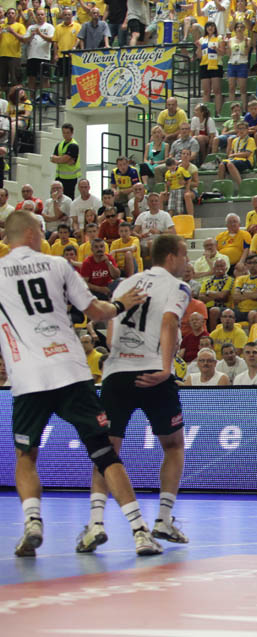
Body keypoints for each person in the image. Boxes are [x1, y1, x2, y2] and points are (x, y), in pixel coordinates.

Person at [0, 210, 161, 557]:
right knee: (103, 452)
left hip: (28, 377)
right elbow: (97, 312)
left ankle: (32, 523)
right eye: (40, 230)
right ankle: (140, 532)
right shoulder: (57, 265)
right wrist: (120, 304)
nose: (43, 236)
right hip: (70, 371)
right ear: (29, 234)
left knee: (25, 455)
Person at [88, 234, 192, 550]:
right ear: (171, 257)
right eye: (184, 256)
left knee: (107, 451)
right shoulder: (177, 286)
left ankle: (95, 524)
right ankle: (163, 519)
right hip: (153, 374)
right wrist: (165, 368)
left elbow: (109, 335)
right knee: (174, 445)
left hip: (116, 373)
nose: (187, 262)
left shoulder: (125, 283)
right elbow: (169, 321)